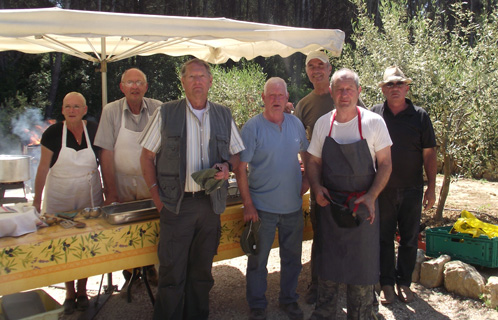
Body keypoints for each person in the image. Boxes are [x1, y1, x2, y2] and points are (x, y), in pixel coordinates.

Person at [139, 58, 245, 320]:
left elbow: (237, 156)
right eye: (191, 77)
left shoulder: (223, 114)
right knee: (172, 274)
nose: (197, 81)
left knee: (201, 274)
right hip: (176, 206)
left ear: (210, 81)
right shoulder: (166, 113)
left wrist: (226, 168)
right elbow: (146, 157)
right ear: (182, 82)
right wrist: (157, 198)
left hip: (210, 206)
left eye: (202, 76)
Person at [307, 68, 392, 319]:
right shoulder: (324, 124)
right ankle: (324, 314)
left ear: (359, 92)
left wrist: (372, 196)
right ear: (331, 92)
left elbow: (386, 163)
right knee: (328, 269)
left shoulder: (373, 123)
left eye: (349, 89)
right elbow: (312, 162)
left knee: (362, 270)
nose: (344, 94)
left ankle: (362, 315)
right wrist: (316, 186)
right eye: (339, 89)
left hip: (362, 206)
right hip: (330, 206)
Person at [294, 51, 367, 304]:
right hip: (322, 183)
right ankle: (318, 285)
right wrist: (309, 176)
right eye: (311, 66)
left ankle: (358, 287)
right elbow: (302, 143)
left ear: (329, 68)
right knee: (322, 234)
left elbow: (366, 132)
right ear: (307, 72)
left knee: (355, 234)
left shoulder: (349, 96)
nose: (316, 70)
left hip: (352, 182)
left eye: (321, 66)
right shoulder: (304, 104)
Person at [234, 77, 309, 320]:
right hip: (262, 209)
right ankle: (257, 305)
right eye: (272, 95)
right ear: (263, 98)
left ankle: (288, 300)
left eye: (281, 95)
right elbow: (240, 168)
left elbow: (306, 154)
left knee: (292, 260)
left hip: (292, 208)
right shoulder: (252, 127)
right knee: (258, 261)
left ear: (287, 99)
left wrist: (307, 181)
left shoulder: (296, 124)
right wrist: (248, 204)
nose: (276, 100)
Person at [33, 92, 103, 315]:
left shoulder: (93, 129)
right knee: (63, 247)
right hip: (59, 196)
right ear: (62, 110)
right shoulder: (53, 133)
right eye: (67, 107)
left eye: (76, 107)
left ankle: (83, 290)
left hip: (88, 195)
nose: (71, 110)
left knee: (85, 245)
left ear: (84, 110)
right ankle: (69, 292)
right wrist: (35, 202)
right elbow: (43, 168)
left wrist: (111, 190)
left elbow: (106, 161)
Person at [371, 66, 437, 304]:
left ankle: (404, 283)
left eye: (399, 84)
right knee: (384, 238)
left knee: (409, 238)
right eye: (390, 85)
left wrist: (431, 187)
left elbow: (429, 155)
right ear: (383, 89)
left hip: (412, 189)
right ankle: (387, 284)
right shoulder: (375, 115)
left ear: (407, 87)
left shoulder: (420, 116)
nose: (395, 88)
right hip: (382, 190)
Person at [94, 67, 162, 294]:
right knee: (126, 232)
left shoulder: (158, 108)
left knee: (152, 228)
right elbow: (106, 152)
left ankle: (150, 268)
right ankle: (130, 274)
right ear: (122, 87)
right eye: (130, 83)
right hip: (121, 181)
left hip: (150, 180)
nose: (135, 86)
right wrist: (110, 191)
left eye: (139, 82)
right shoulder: (110, 111)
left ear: (146, 87)